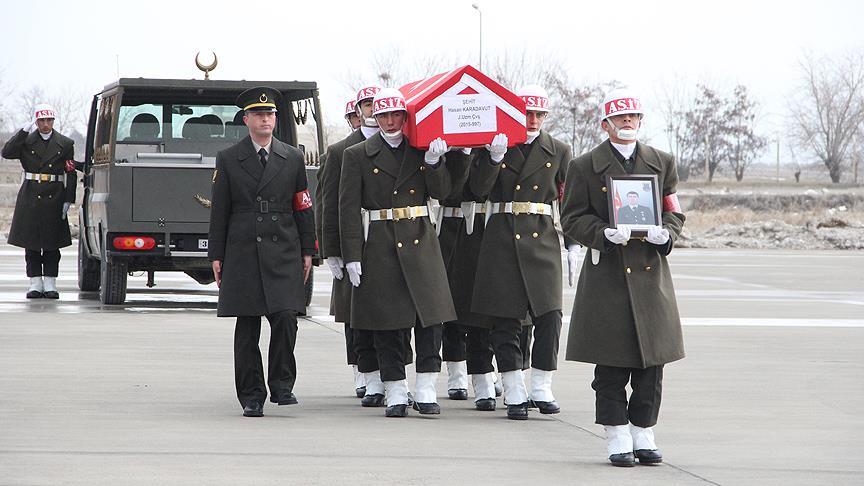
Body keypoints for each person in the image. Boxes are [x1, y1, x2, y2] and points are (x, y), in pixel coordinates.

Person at [560, 88, 686, 466]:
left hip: (650, 272)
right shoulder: (584, 166)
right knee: (611, 362)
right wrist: (602, 233)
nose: (627, 121)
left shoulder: (661, 162)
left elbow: (673, 208)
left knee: (652, 361)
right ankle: (616, 434)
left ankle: (643, 431)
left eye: (633, 116)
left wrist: (668, 232)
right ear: (606, 124)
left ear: (640, 121)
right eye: (619, 117)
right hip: (608, 274)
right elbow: (571, 217)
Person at [339, 87, 456, 417]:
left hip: (420, 238)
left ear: (405, 117)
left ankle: (427, 386)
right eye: (383, 115)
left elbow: (443, 192)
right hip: (380, 241)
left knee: (430, 318)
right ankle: (395, 389)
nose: (390, 121)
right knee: (387, 322)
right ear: (374, 117)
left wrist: (434, 163)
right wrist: (351, 255)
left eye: (396, 115)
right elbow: (347, 208)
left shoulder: (420, 149)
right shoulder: (358, 154)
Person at [207, 87, 316, 418]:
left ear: (276, 119)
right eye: (258, 114)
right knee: (248, 325)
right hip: (243, 249)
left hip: (283, 247)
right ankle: (252, 395)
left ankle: (282, 384)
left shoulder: (292, 157)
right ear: (246, 120)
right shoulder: (229, 158)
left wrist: (309, 250)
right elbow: (220, 210)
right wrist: (216, 254)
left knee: (286, 317)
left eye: (269, 114)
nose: (265, 119)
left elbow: (303, 205)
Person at [469, 85, 571, 420]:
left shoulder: (559, 150)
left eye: (540, 114)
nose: (533, 120)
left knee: (550, 314)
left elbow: (567, 198)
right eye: (528, 113)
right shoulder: (494, 144)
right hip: (501, 234)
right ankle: (513, 387)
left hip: (541, 235)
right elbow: (477, 190)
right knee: (505, 317)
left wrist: (572, 242)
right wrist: (494, 158)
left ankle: (541, 384)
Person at [317, 86, 382, 400]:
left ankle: (386, 374)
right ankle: (362, 371)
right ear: (358, 110)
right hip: (352, 239)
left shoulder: (400, 145)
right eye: (367, 105)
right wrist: (332, 249)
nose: (372, 110)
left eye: (376, 104)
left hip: (384, 241)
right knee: (354, 313)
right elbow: (328, 203)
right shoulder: (340, 150)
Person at [2, 104, 76, 299]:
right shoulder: (26, 141)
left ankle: (50, 282)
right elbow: (7, 152)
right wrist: (22, 132)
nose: (45, 124)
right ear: (36, 122)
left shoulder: (65, 143)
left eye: (49, 120)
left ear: (53, 121)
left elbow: (70, 172)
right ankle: (35, 282)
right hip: (31, 195)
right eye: (41, 120)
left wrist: (69, 198)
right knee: (32, 242)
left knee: (52, 242)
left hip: (54, 195)